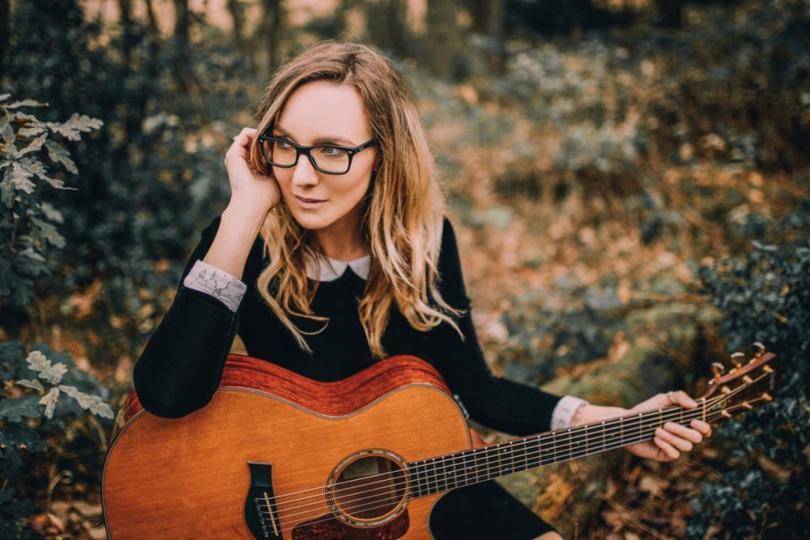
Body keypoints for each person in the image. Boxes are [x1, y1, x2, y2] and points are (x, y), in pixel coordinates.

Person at [132, 41, 711, 540]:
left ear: (384, 154)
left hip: (417, 482)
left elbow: (476, 390)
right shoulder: (244, 240)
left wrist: (616, 422)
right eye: (285, 145)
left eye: (332, 150)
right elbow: (166, 394)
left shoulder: (425, 244)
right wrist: (243, 214)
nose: (302, 176)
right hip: (287, 501)